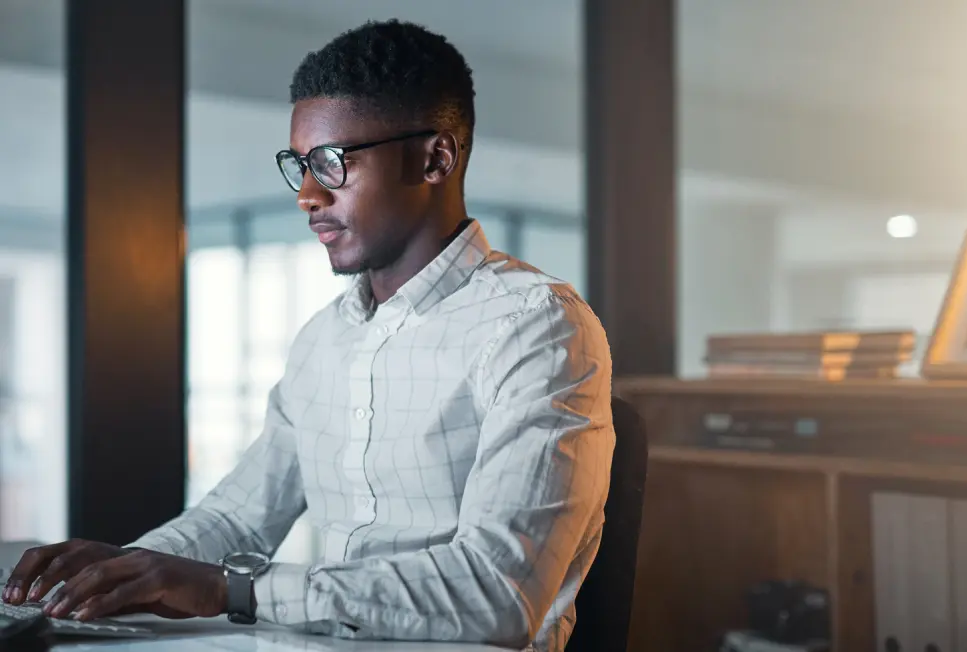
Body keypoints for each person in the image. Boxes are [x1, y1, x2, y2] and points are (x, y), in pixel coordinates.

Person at [2, 19, 613, 652]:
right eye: (301, 166)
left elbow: (498, 593)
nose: (308, 195)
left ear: (435, 158)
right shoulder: (325, 339)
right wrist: (115, 574)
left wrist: (234, 590)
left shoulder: (538, 327)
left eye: (332, 163)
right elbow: (238, 516)